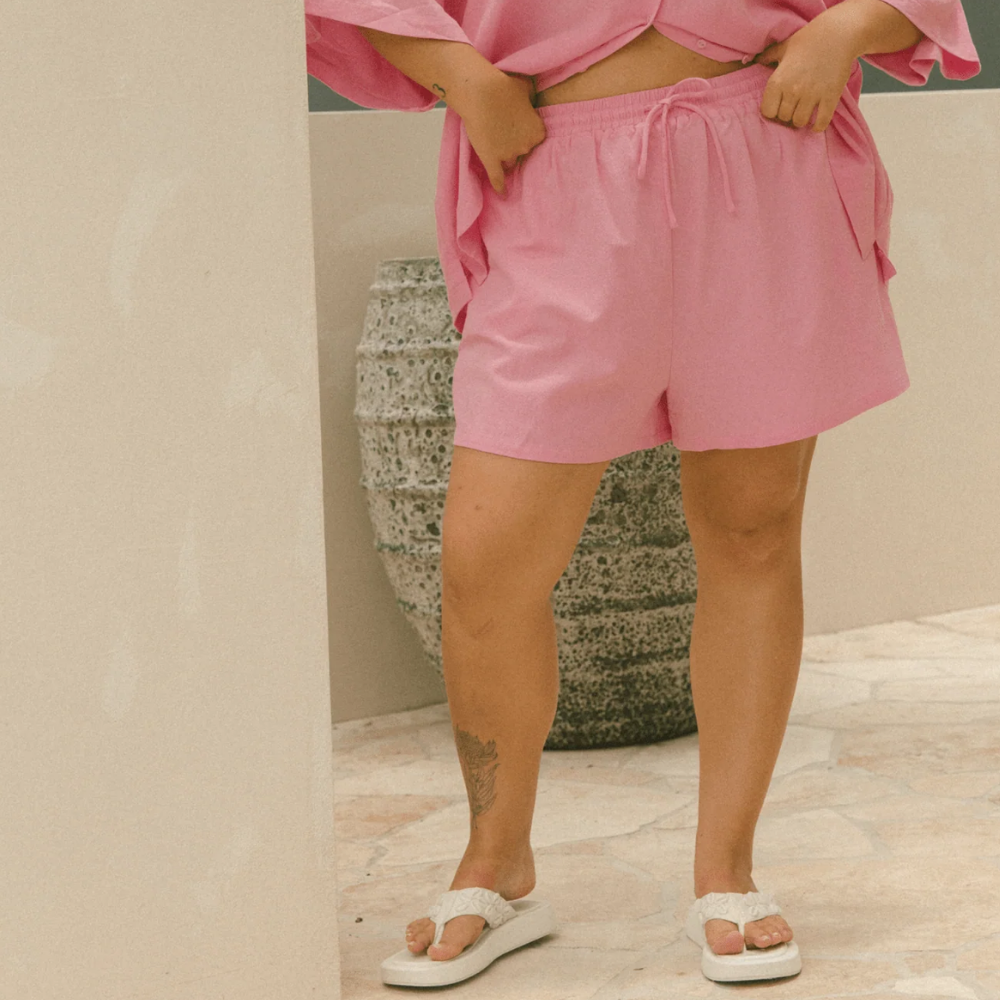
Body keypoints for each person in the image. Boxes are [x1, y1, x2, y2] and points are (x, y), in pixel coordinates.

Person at [306, 0, 981, 987]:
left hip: (760, 149)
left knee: (751, 534)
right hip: (551, 168)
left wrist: (845, 31)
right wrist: (462, 74)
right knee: (485, 565)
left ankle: (727, 870)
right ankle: (496, 860)